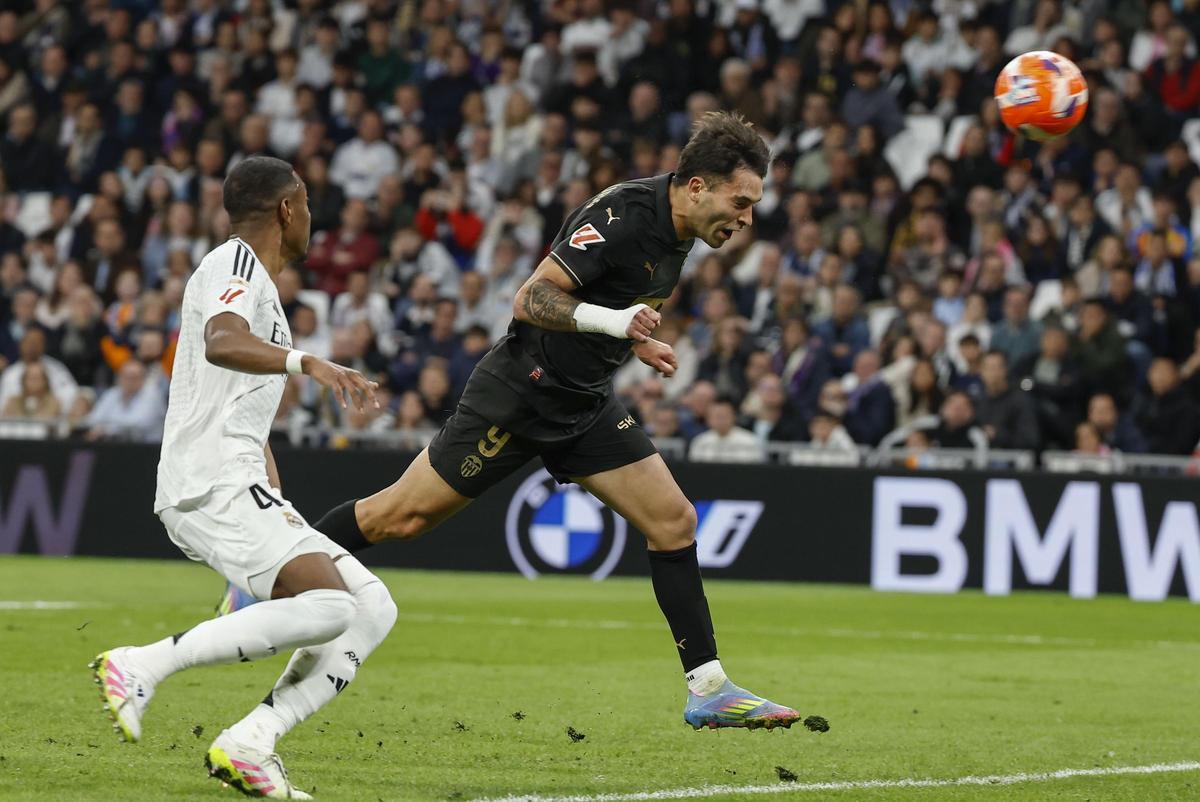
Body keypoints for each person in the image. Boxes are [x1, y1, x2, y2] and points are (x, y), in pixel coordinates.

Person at [303, 113, 799, 730]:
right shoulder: (621, 216)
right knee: (397, 518)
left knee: (674, 522)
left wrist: (636, 341)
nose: (747, 218)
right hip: (521, 396)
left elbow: (623, 298)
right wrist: (618, 325)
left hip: (584, 402)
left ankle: (709, 688)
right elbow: (533, 298)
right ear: (697, 186)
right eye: (741, 202)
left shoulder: (682, 234)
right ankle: (271, 570)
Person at [90, 157, 393, 799]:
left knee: (371, 606)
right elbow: (221, 340)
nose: (312, 216)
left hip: (237, 476)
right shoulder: (233, 265)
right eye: (307, 203)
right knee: (332, 603)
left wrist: (280, 512)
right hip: (208, 478)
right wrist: (307, 362)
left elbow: (247, 421)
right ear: (287, 209)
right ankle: (141, 663)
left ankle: (252, 741)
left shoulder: (263, 288)